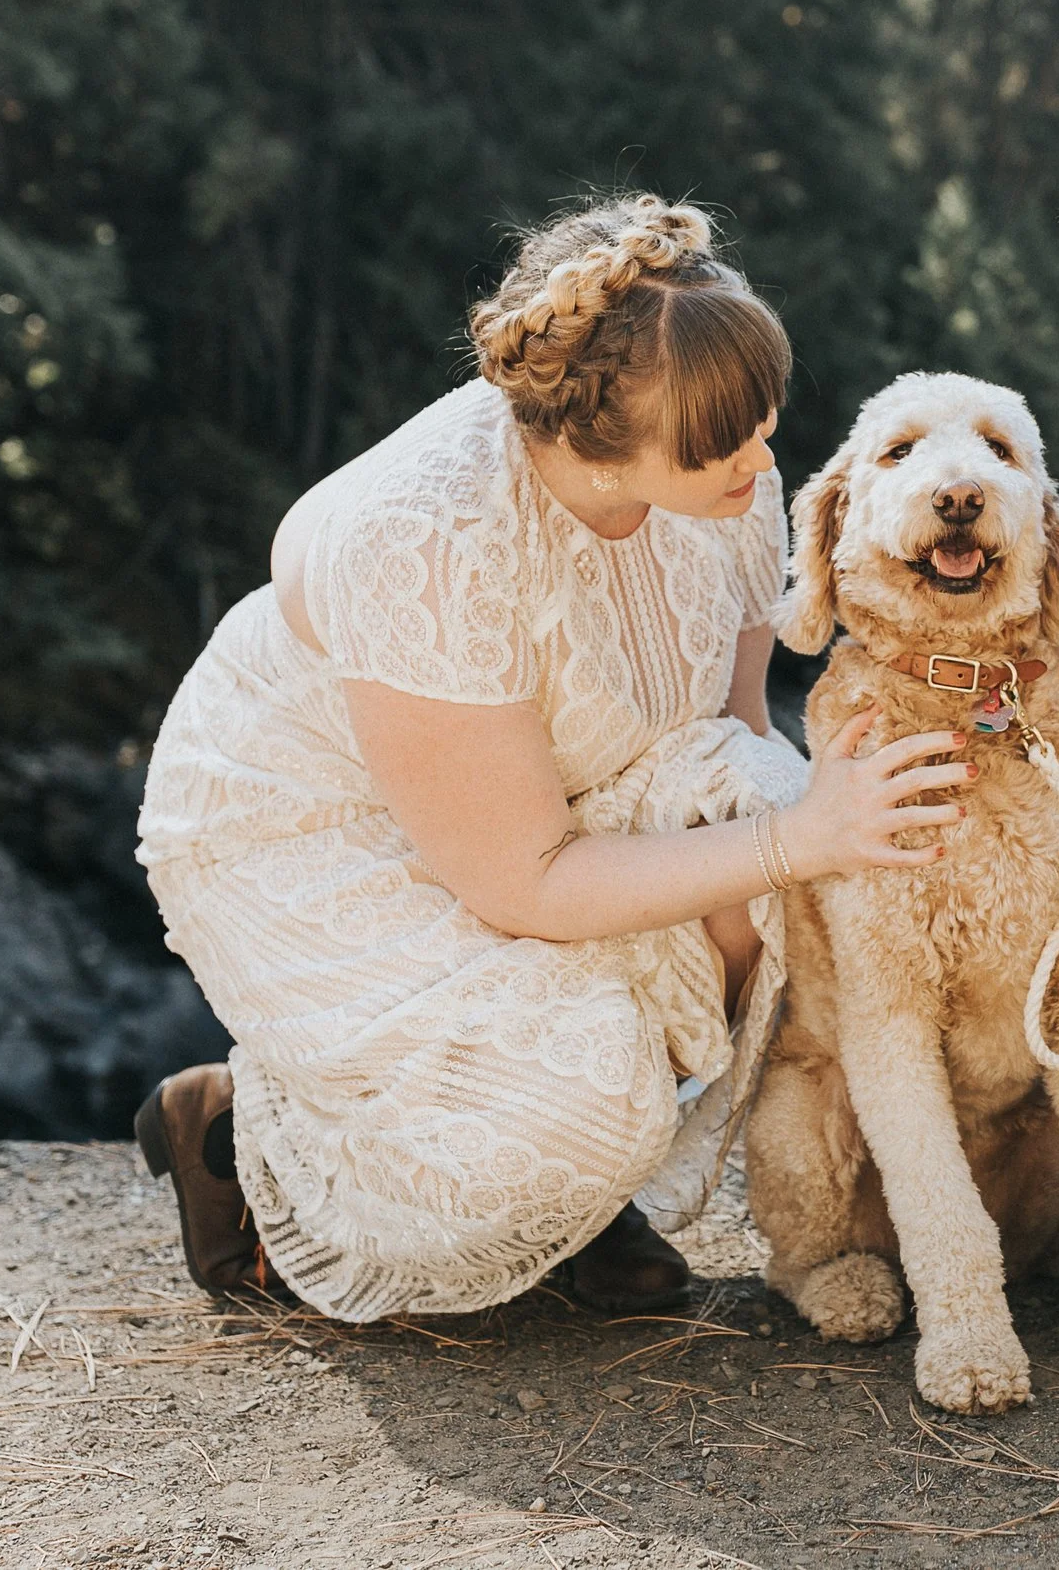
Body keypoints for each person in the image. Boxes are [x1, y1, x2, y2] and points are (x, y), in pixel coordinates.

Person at [132, 196, 971, 1322]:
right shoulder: (427, 539)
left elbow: (727, 744)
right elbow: (521, 879)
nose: (760, 459)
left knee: (781, 880)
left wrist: (809, 831)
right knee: (580, 1103)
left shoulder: (725, 472)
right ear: (594, 440)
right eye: (725, 441)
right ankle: (249, 1131)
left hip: (558, 792)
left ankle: (579, 1194)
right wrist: (796, 836)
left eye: (764, 421)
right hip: (311, 824)